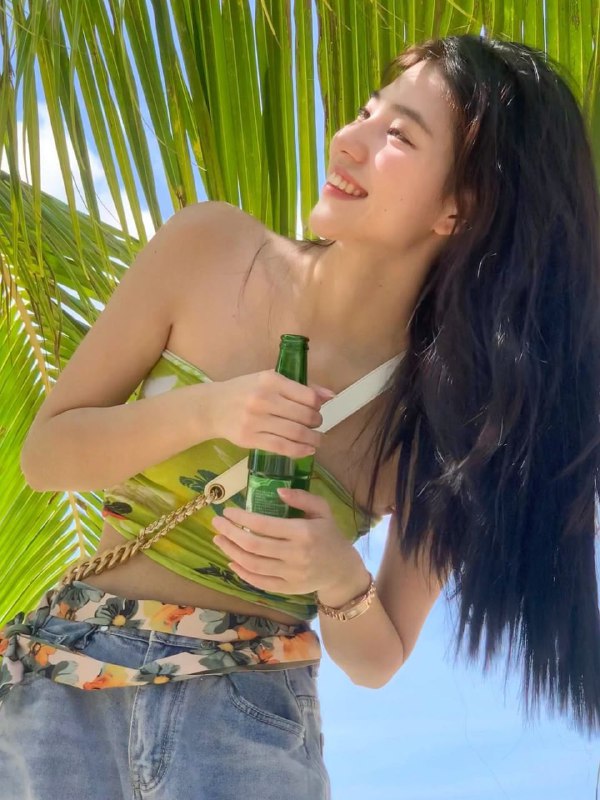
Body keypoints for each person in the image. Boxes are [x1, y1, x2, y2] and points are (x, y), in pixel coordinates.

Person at [1, 30, 599, 799]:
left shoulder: (439, 421)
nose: (348, 139)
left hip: (243, 721)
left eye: (398, 135)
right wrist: (211, 410)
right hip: (63, 695)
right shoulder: (210, 248)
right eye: (366, 112)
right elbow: (47, 455)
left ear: (461, 206)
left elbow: (379, 658)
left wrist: (339, 576)